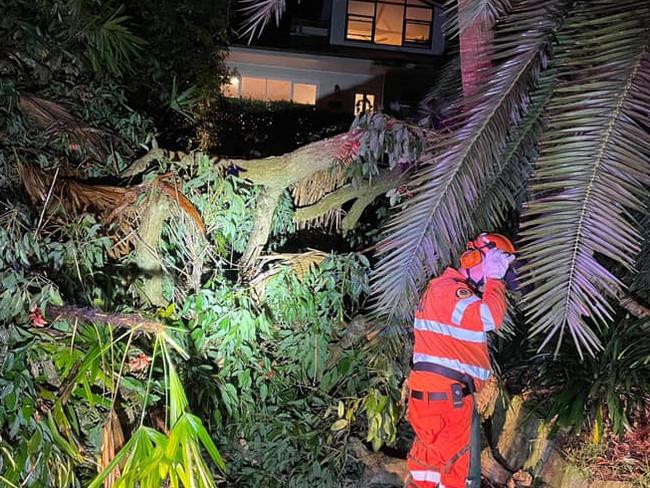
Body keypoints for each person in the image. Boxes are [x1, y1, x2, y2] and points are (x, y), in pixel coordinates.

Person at [405, 233, 516, 488]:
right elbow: (490, 317)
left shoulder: (440, 289)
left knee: (428, 469)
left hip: (428, 398)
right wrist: (495, 279)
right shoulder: (453, 292)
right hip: (448, 400)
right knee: (455, 473)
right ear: (476, 258)